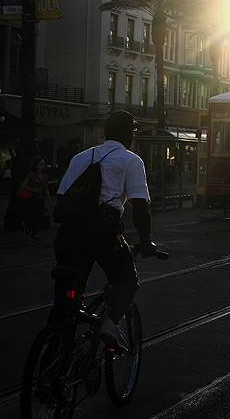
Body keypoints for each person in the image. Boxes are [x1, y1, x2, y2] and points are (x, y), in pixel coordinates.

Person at [51, 110, 155, 351]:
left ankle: (52, 362)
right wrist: (146, 241)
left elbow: (61, 196)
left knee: (64, 301)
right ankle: (110, 324)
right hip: (103, 233)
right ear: (129, 134)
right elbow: (140, 206)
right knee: (127, 279)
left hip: (69, 235)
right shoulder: (131, 160)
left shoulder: (81, 157)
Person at [19, 156, 52, 241]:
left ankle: (29, 228)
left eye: (44, 164)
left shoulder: (45, 176)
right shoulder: (32, 174)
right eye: (41, 164)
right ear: (36, 165)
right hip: (31, 198)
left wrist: (49, 200)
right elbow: (23, 184)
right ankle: (31, 231)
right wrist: (33, 190)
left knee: (40, 217)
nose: (43, 166)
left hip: (40, 199)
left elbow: (46, 189)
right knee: (34, 216)